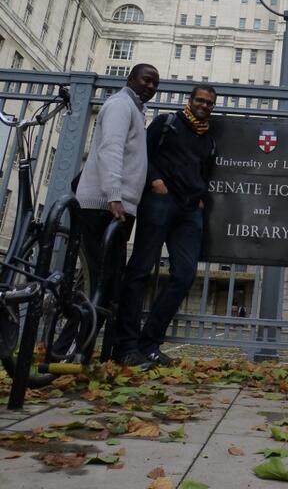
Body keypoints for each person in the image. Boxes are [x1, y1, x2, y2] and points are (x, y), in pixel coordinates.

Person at [57, 64, 160, 360]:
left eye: (155, 83)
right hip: (104, 207)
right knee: (98, 282)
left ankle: (79, 352)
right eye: (146, 80)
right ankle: (67, 352)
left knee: (108, 283)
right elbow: (110, 149)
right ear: (131, 79)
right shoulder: (120, 105)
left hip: (117, 208)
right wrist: (114, 195)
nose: (151, 87)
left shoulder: (134, 110)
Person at [112, 83, 217, 367]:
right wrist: (154, 181)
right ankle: (125, 345)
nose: (204, 105)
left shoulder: (208, 138)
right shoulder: (166, 123)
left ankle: (149, 343)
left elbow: (205, 171)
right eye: (200, 100)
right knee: (140, 269)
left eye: (209, 103)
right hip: (160, 201)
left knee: (185, 273)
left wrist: (199, 198)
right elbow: (142, 155)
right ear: (190, 100)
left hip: (189, 211)